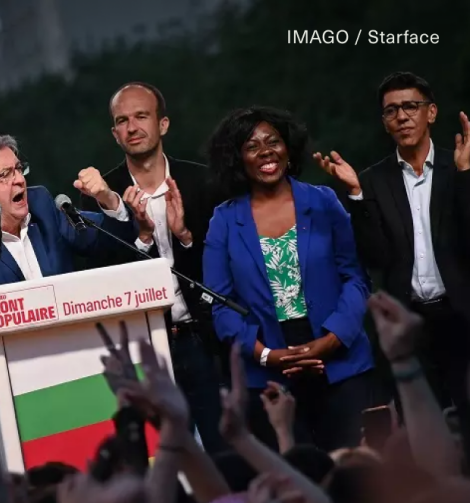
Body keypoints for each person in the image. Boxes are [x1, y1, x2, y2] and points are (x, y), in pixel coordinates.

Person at [313, 72, 470, 447]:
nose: (402, 116)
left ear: (431, 113)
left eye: (411, 106)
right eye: (391, 110)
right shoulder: (373, 181)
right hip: (408, 323)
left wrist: (467, 176)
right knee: (423, 434)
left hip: (463, 316)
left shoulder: (460, 166)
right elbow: (376, 257)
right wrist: (355, 195)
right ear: (384, 122)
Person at [203, 107, 374, 450]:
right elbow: (221, 306)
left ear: (287, 148)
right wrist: (268, 356)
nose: (266, 151)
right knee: (296, 479)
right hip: (266, 369)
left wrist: (330, 341)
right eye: (252, 146)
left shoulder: (323, 201)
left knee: (357, 480)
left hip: (339, 358)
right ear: (238, 159)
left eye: (273, 141)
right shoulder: (223, 221)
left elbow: (355, 278)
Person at [81, 81, 225, 452]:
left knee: (226, 452)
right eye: (122, 120)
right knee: (165, 461)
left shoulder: (202, 181)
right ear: (115, 134)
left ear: (163, 124)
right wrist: (142, 236)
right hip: (144, 351)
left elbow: (222, 264)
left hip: (204, 341)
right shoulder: (103, 195)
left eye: (141, 116)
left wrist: (186, 236)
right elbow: (105, 276)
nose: (132, 127)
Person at [0, 132, 143, 334]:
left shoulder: (40, 206)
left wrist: (108, 199)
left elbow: (112, 244)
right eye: (5, 175)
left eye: (18, 169)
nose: (19, 180)